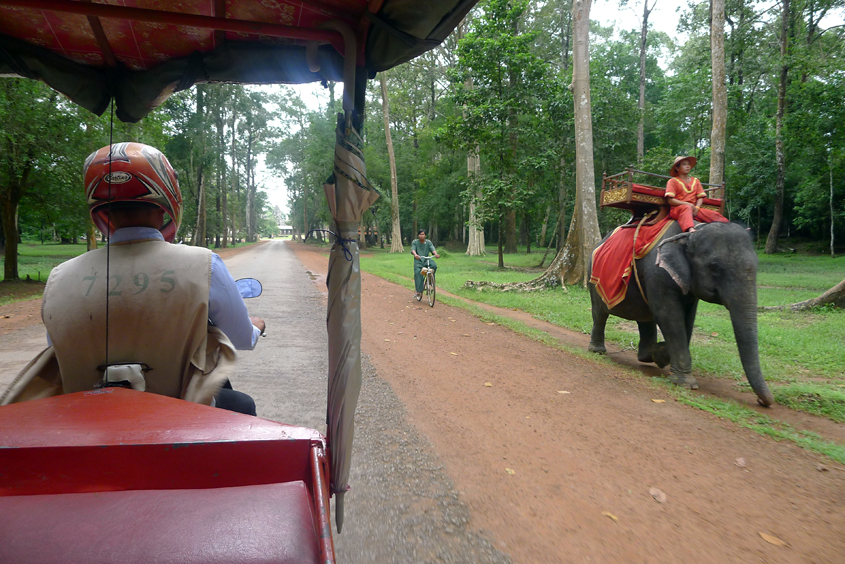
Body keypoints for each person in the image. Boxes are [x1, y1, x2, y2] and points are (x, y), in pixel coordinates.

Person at [41, 142, 264, 415]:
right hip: (181, 416)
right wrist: (256, 326)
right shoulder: (204, 264)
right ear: (167, 203)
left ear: (100, 210)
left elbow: (59, 349)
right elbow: (241, 339)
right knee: (242, 404)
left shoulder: (60, 277)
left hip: (86, 418)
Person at [665, 156, 728, 232]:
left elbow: (701, 197)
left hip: (693, 208)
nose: (688, 166)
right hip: (678, 209)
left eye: (688, 164)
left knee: (712, 213)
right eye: (684, 164)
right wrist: (688, 204)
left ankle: (730, 226)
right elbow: (670, 200)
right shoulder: (672, 181)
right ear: (677, 168)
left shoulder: (696, 180)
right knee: (686, 208)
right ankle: (690, 228)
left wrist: (697, 208)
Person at [411, 229, 440, 299]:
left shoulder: (428, 242)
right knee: (418, 273)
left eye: (423, 234)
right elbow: (413, 249)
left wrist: (435, 254)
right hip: (418, 261)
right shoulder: (415, 242)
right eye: (420, 234)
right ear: (418, 235)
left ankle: (430, 281)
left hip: (427, 260)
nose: (422, 236)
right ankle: (418, 291)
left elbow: (432, 249)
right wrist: (415, 255)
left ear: (425, 235)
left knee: (434, 265)